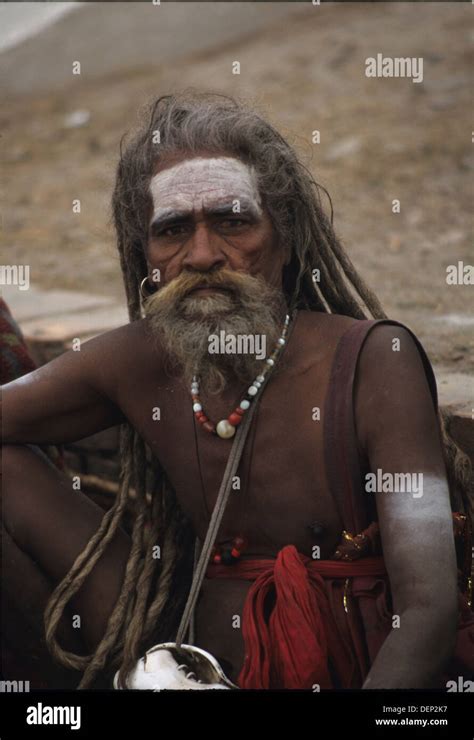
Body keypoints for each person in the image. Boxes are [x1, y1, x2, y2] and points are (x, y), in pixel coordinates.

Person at [2, 91, 473, 690]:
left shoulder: (374, 360)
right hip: (179, 655)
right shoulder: (139, 356)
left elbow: (427, 613)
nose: (202, 256)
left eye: (233, 221)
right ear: (144, 254)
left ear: (285, 233)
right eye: (172, 231)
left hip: (339, 661)